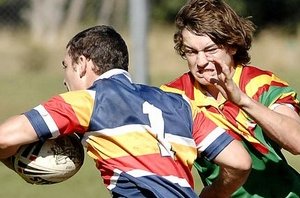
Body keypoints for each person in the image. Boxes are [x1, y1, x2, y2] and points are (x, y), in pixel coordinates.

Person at [0, 25, 251, 197]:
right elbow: (239, 162)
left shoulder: (88, 101)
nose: (65, 80)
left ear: (82, 64)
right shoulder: (180, 103)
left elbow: (4, 138)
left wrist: (14, 162)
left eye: (65, 66)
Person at [160, 0, 300, 197]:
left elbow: (297, 141)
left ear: (232, 46)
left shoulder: (260, 85)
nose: (200, 62)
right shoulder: (174, 97)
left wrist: (242, 101)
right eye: (191, 52)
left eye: (210, 50)